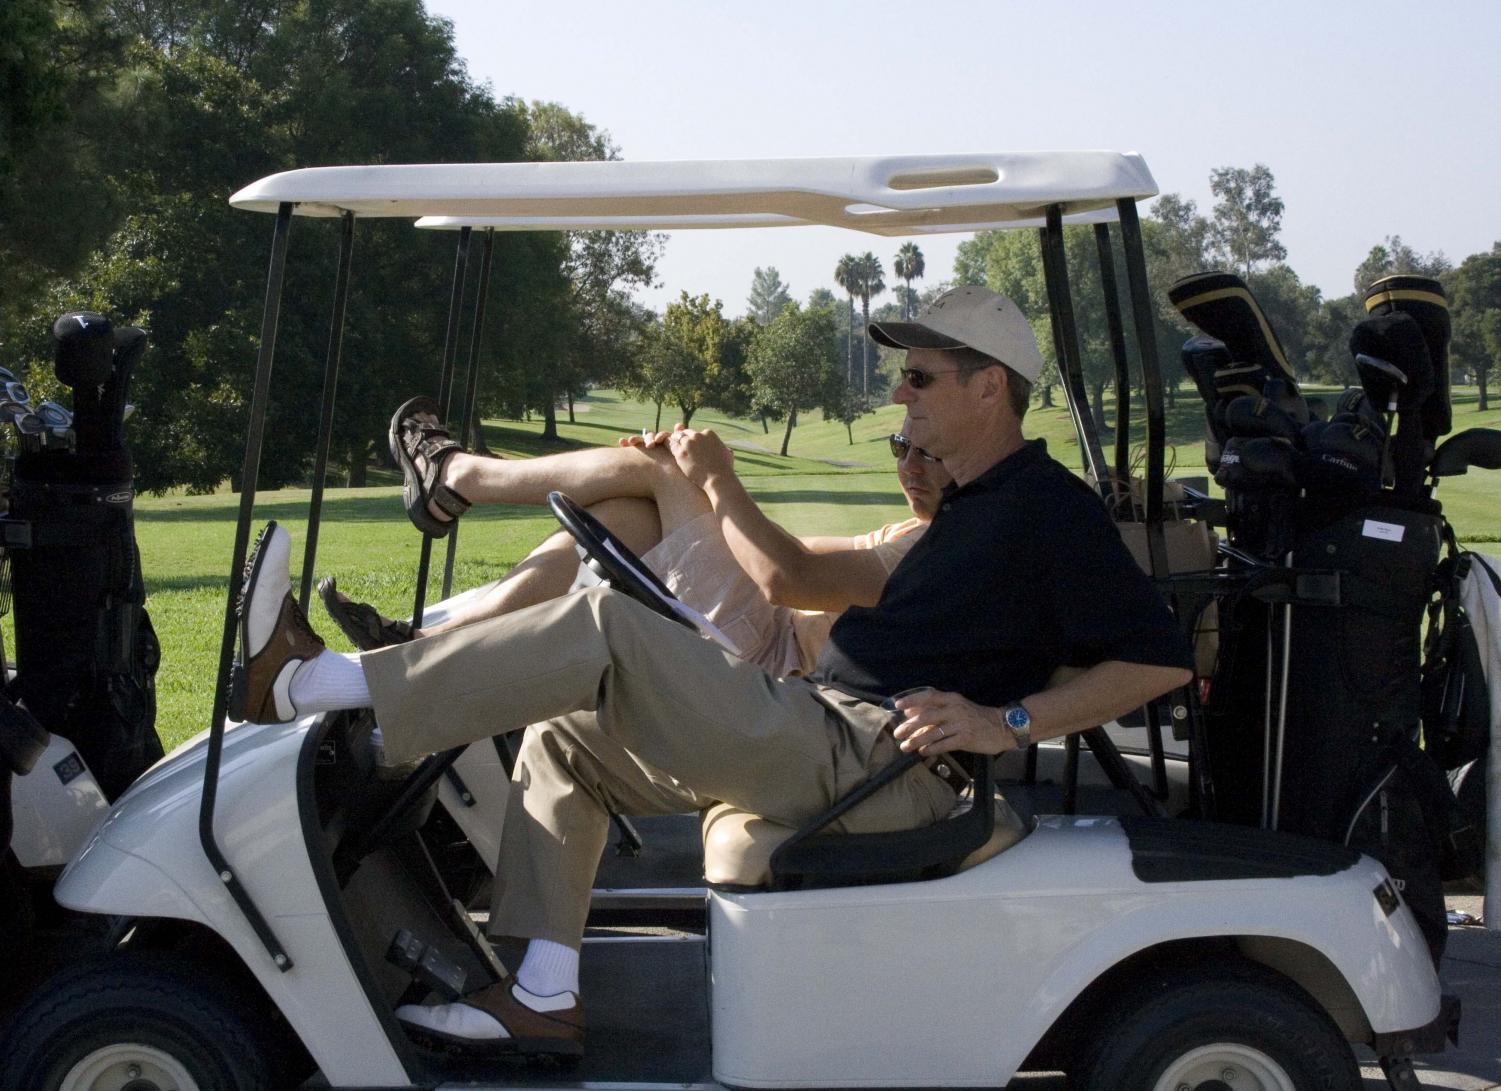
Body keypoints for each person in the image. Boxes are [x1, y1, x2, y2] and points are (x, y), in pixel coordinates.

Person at [233, 286, 1193, 1057]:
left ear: (991, 388)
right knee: (569, 740)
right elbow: (803, 579)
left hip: (879, 764)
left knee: (608, 625)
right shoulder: (971, 510)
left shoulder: (1048, 509)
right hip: (821, 728)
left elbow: (1158, 658)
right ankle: (542, 994)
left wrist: (1010, 722)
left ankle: (313, 683)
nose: (899, 397)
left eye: (920, 379)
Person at [321, 415, 947, 680]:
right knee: (632, 504)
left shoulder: (934, 547)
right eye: (901, 448)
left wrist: (708, 479)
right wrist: (698, 499)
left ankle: (457, 476)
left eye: (930, 454)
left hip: (766, 669)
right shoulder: (913, 532)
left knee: (661, 472)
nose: (911, 467)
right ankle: (426, 642)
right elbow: (790, 556)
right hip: (760, 635)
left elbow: (789, 576)